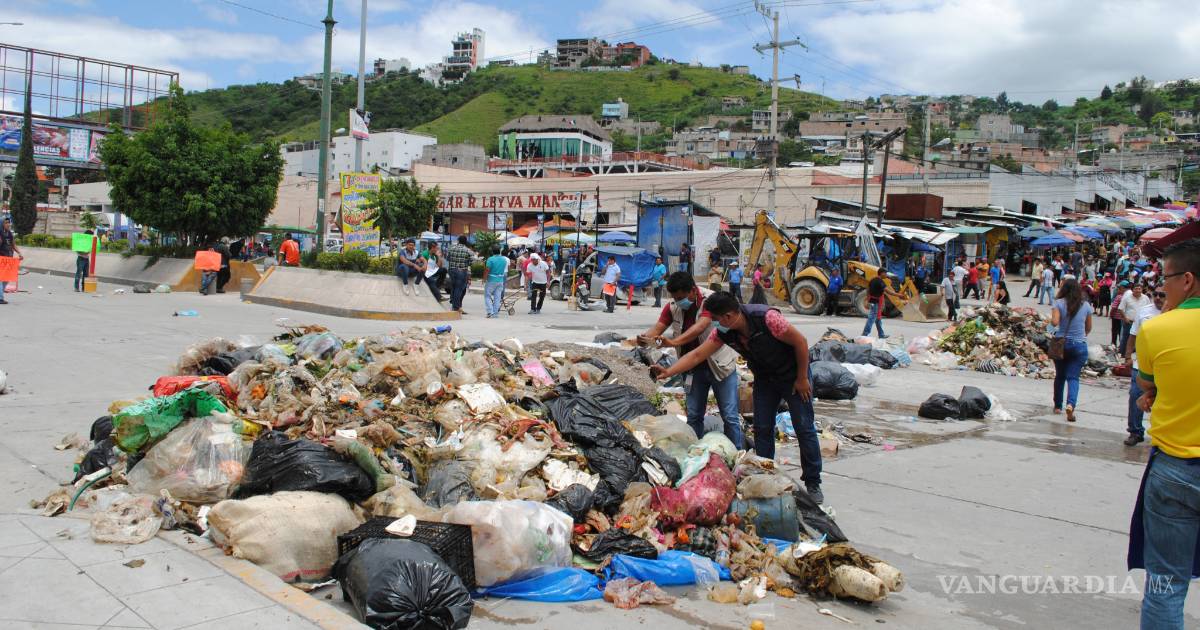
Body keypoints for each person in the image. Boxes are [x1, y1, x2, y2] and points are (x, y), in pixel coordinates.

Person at [649, 292, 825, 503]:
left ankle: (813, 482)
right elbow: (697, 355)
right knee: (762, 428)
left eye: (716, 320)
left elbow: (801, 342)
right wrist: (668, 372)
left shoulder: (768, 318)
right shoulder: (725, 332)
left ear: (729, 316)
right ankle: (765, 473)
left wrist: (802, 378)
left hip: (794, 376)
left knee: (804, 428)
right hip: (765, 380)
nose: (714, 325)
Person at [1127, 239, 1200, 627]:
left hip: (1175, 471)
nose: (1161, 288)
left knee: (1165, 586)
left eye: (1165, 279)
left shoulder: (1157, 329)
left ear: (1187, 280)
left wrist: (1155, 395)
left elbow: (1148, 385)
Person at [637, 273, 743, 448]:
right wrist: (644, 339)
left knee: (730, 416)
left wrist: (673, 342)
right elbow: (658, 328)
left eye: (681, 298)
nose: (678, 302)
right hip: (692, 368)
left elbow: (700, 327)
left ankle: (737, 454)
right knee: (694, 415)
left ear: (693, 290)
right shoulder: (673, 307)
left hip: (719, 365)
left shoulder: (711, 301)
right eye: (674, 298)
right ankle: (695, 453)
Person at [1123, 284, 1164, 446]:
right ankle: (1135, 431)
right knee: (1135, 395)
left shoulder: (1176, 312)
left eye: (1162, 295)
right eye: (1156, 294)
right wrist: (1128, 356)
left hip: (1164, 365)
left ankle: (1161, 434)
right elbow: (1133, 335)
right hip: (1141, 364)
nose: (1158, 298)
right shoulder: (1144, 311)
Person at [1049, 277, 1093, 422]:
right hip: (1079, 345)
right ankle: (1070, 404)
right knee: (1073, 378)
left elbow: (1055, 322)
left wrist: (1052, 321)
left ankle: (1057, 406)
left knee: (1060, 376)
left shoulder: (1059, 303)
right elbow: (1088, 328)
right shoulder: (1086, 305)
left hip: (1062, 344)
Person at [863, 268, 901, 339]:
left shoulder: (873, 280)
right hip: (875, 302)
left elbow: (868, 290)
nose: (886, 275)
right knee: (872, 318)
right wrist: (898, 295)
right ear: (881, 273)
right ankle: (864, 334)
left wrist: (868, 299)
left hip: (873, 301)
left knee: (878, 319)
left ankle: (881, 335)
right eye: (885, 273)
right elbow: (888, 291)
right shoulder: (880, 281)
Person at [1117, 282, 1152, 356]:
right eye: (1136, 289)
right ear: (1132, 290)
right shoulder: (1127, 298)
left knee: (1140, 339)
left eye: (1139, 289)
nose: (1138, 290)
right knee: (1127, 338)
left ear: (1142, 290)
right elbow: (1120, 308)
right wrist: (1125, 318)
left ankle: (1137, 354)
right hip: (1129, 322)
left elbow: (1149, 308)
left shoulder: (1145, 298)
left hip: (1142, 322)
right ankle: (1123, 354)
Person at [447, 235, 473, 314]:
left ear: (458, 240)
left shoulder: (451, 248)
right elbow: (471, 262)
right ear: (465, 242)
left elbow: (448, 258)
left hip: (451, 270)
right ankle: (456, 307)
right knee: (459, 289)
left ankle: (454, 304)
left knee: (454, 287)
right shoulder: (468, 250)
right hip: (462, 271)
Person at [483, 247, 509, 318]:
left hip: (491, 279)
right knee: (497, 298)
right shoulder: (504, 259)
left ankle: (490, 312)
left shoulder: (490, 259)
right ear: (499, 252)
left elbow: (487, 269)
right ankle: (495, 313)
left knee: (487, 296)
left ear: (492, 252)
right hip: (500, 280)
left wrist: (484, 278)